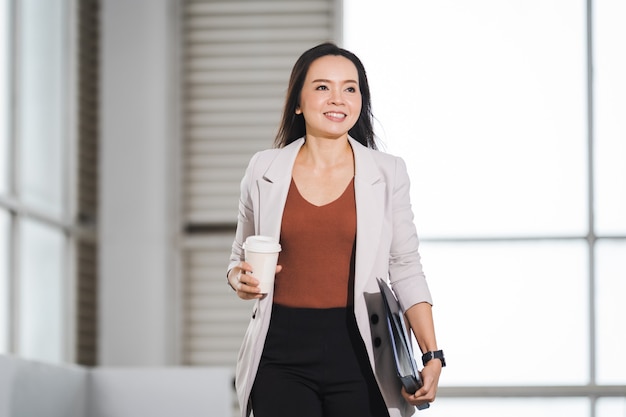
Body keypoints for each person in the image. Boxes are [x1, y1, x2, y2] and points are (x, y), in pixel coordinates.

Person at [227, 42, 443, 417]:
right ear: (298, 102)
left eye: (350, 88)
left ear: (361, 100)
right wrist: (237, 278)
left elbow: (405, 265)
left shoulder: (388, 172)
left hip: (362, 351)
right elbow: (238, 257)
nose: (337, 98)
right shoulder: (264, 170)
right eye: (322, 87)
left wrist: (432, 353)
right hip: (279, 353)